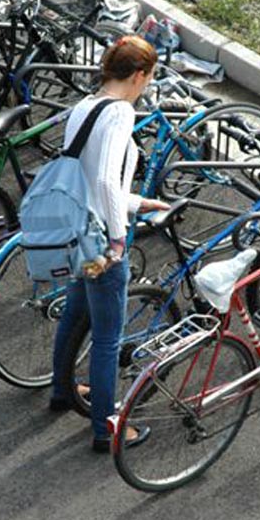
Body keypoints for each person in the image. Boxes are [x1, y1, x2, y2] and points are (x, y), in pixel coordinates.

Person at [49, 36, 170, 453]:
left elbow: (88, 175)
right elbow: (104, 180)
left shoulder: (86, 105)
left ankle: (61, 390)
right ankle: (107, 429)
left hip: (74, 228)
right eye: (149, 78)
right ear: (138, 75)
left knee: (75, 312)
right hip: (101, 237)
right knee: (106, 339)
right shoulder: (120, 114)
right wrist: (118, 240)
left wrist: (137, 201)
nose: (147, 86)